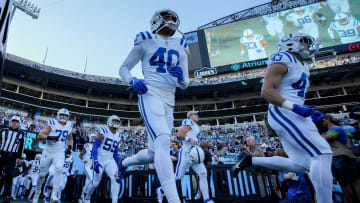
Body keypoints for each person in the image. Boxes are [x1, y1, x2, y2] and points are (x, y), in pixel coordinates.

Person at [233, 33, 333, 203]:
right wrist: (295, 107)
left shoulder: (303, 65)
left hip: (295, 114)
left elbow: (291, 92)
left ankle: (252, 159)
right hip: (285, 113)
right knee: (322, 152)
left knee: (301, 164)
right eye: (304, 43)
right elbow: (267, 91)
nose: (308, 47)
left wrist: (303, 109)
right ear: (290, 45)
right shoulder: (283, 58)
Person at [118, 9, 189, 203]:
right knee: (164, 140)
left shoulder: (181, 44)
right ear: (156, 21)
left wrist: (181, 76)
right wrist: (132, 81)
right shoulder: (146, 39)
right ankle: (174, 200)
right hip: (150, 92)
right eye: (167, 18)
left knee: (154, 152)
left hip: (170, 98)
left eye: (174, 18)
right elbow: (123, 68)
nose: (171, 21)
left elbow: (185, 84)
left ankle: (124, 162)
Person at [33, 108, 73, 203]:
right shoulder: (52, 122)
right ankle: (37, 192)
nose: (63, 116)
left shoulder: (70, 125)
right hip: (48, 151)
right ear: (58, 115)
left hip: (59, 151)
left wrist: (70, 147)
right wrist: (49, 137)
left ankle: (54, 195)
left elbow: (70, 138)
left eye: (65, 115)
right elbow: (40, 135)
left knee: (59, 169)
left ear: (68, 117)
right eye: (62, 115)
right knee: (42, 175)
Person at [175, 111, 213, 203]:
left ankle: (207, 199)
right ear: (190, 116)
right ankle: (162, 190)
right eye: (195, 114)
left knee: (203, 174)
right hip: (186, 153)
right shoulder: (188, 121)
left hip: (194, 153)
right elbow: (179, 135)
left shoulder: (195, 125)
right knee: (178, 177)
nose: (197, 115)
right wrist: (190, 139)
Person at [321, 114, 360, 203]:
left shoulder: (337, 129)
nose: (321, 122)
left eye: (323, 120)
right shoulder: (328, 131)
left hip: (344, 157)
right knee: (342, 183)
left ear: (328, 119)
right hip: (334, 159)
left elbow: (328, 138)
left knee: (354, 182)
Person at [84, 115, 122, 203]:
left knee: (116, 178)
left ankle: (115, 201)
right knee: (95, 183)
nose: (116, 123)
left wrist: (115, 162)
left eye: (117, 121)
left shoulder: (119, 135)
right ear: (109, 121)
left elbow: (115, 151)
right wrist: (96, 161)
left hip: (110, 160)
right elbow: (95, 147)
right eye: (114, 121)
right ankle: (87, 197)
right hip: (100, 159)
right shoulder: (103, 131)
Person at [0, 116, 25, 203]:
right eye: (13, 121)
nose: (14, 123)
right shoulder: (3, 130)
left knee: (9, 176)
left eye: (16, 122)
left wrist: (20, 157)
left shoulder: (21, 133)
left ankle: (6, 196)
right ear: (10, 122)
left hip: (12, 156)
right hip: (1, 154)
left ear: (19, 123)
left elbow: (21, 146)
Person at [79, 134, 96, 203]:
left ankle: (84, 198)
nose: (94, 139)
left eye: (95, 137)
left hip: (93, 167)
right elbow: (80, 155)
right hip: (87, 166)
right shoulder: (87, 145)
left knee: (89, 182)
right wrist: (83, 160)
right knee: (91, 179)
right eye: (93, 137)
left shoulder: (97, 146)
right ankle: (83, 195)